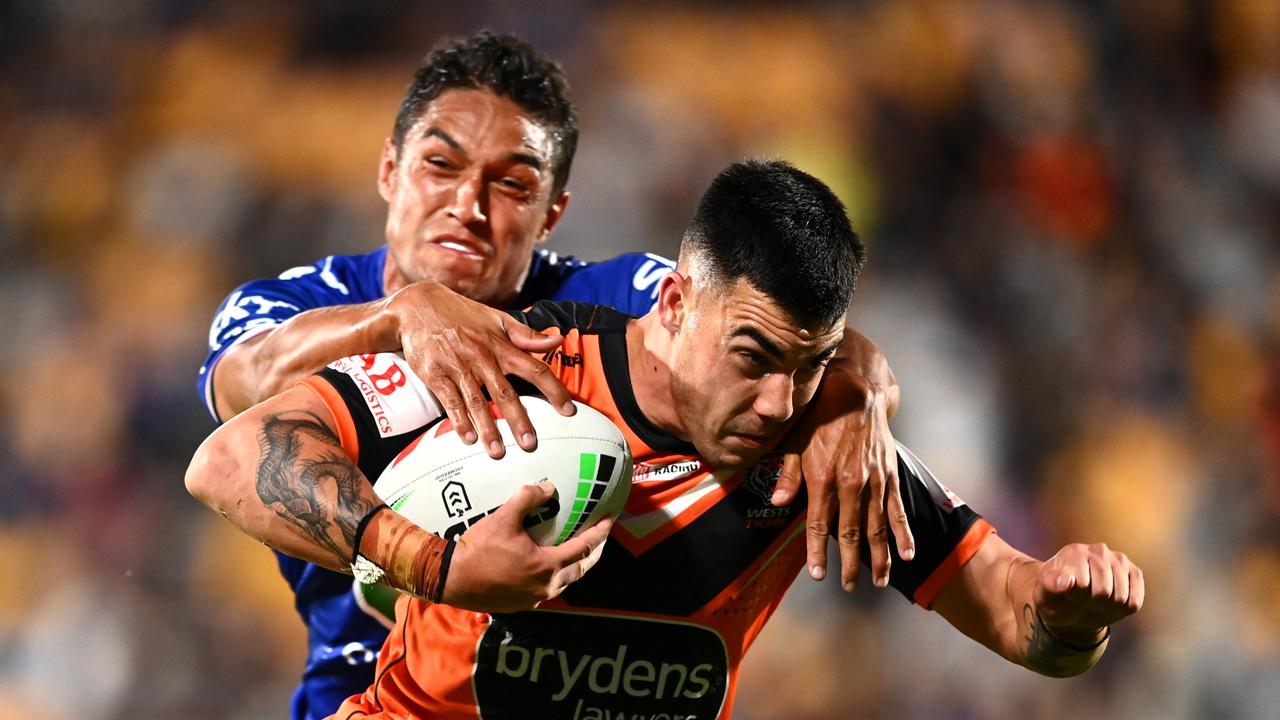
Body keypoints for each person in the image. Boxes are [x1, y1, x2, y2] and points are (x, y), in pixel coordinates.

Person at [187, 160, 1144, 719]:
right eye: (753, 356)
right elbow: (228, 459)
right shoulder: (520, 365)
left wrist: (1070, 614)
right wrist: (423, 559)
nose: (778, 402)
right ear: (676, 300)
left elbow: (1023, 624)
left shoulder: (828, 445)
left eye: (809, 364)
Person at [195, 32, 910, 720]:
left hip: (560, 685)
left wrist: (861, 386)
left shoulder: (610, 298)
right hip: (366, 688)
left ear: (552, 213)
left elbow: (762, 319)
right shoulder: (297, 305)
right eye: (440, 167)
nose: (468, 207)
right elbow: (242, 394)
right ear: (389, 171)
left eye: (512, 184)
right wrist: (401, 318)